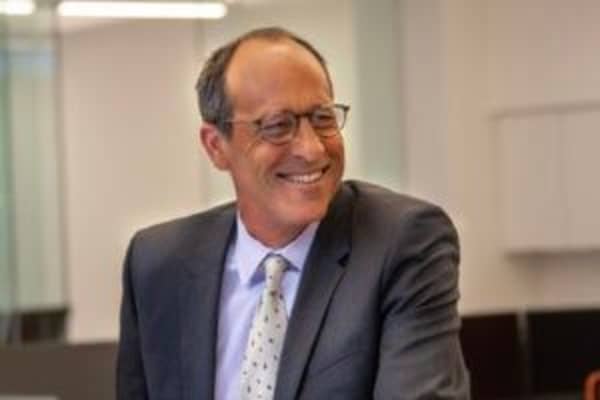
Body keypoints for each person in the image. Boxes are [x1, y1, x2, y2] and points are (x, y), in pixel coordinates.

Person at [116, 27, 470, 400]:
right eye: (277, 126)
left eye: (322, 118)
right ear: (216, 146)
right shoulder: (158, 262)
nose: (312, 149)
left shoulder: (402, 242)